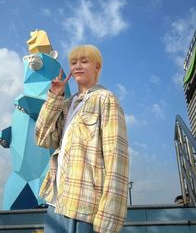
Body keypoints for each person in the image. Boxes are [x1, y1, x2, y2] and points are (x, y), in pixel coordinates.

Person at [35, 44, 129, 233]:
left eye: (84, 61)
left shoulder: (105, 99)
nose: (78, 65)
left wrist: (108, 218)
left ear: (97, 67)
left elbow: (116, 159)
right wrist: (55, 96)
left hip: (85, 206)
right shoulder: (68, 104)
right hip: (56, 203)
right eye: (73, 62)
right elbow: (42, 138)